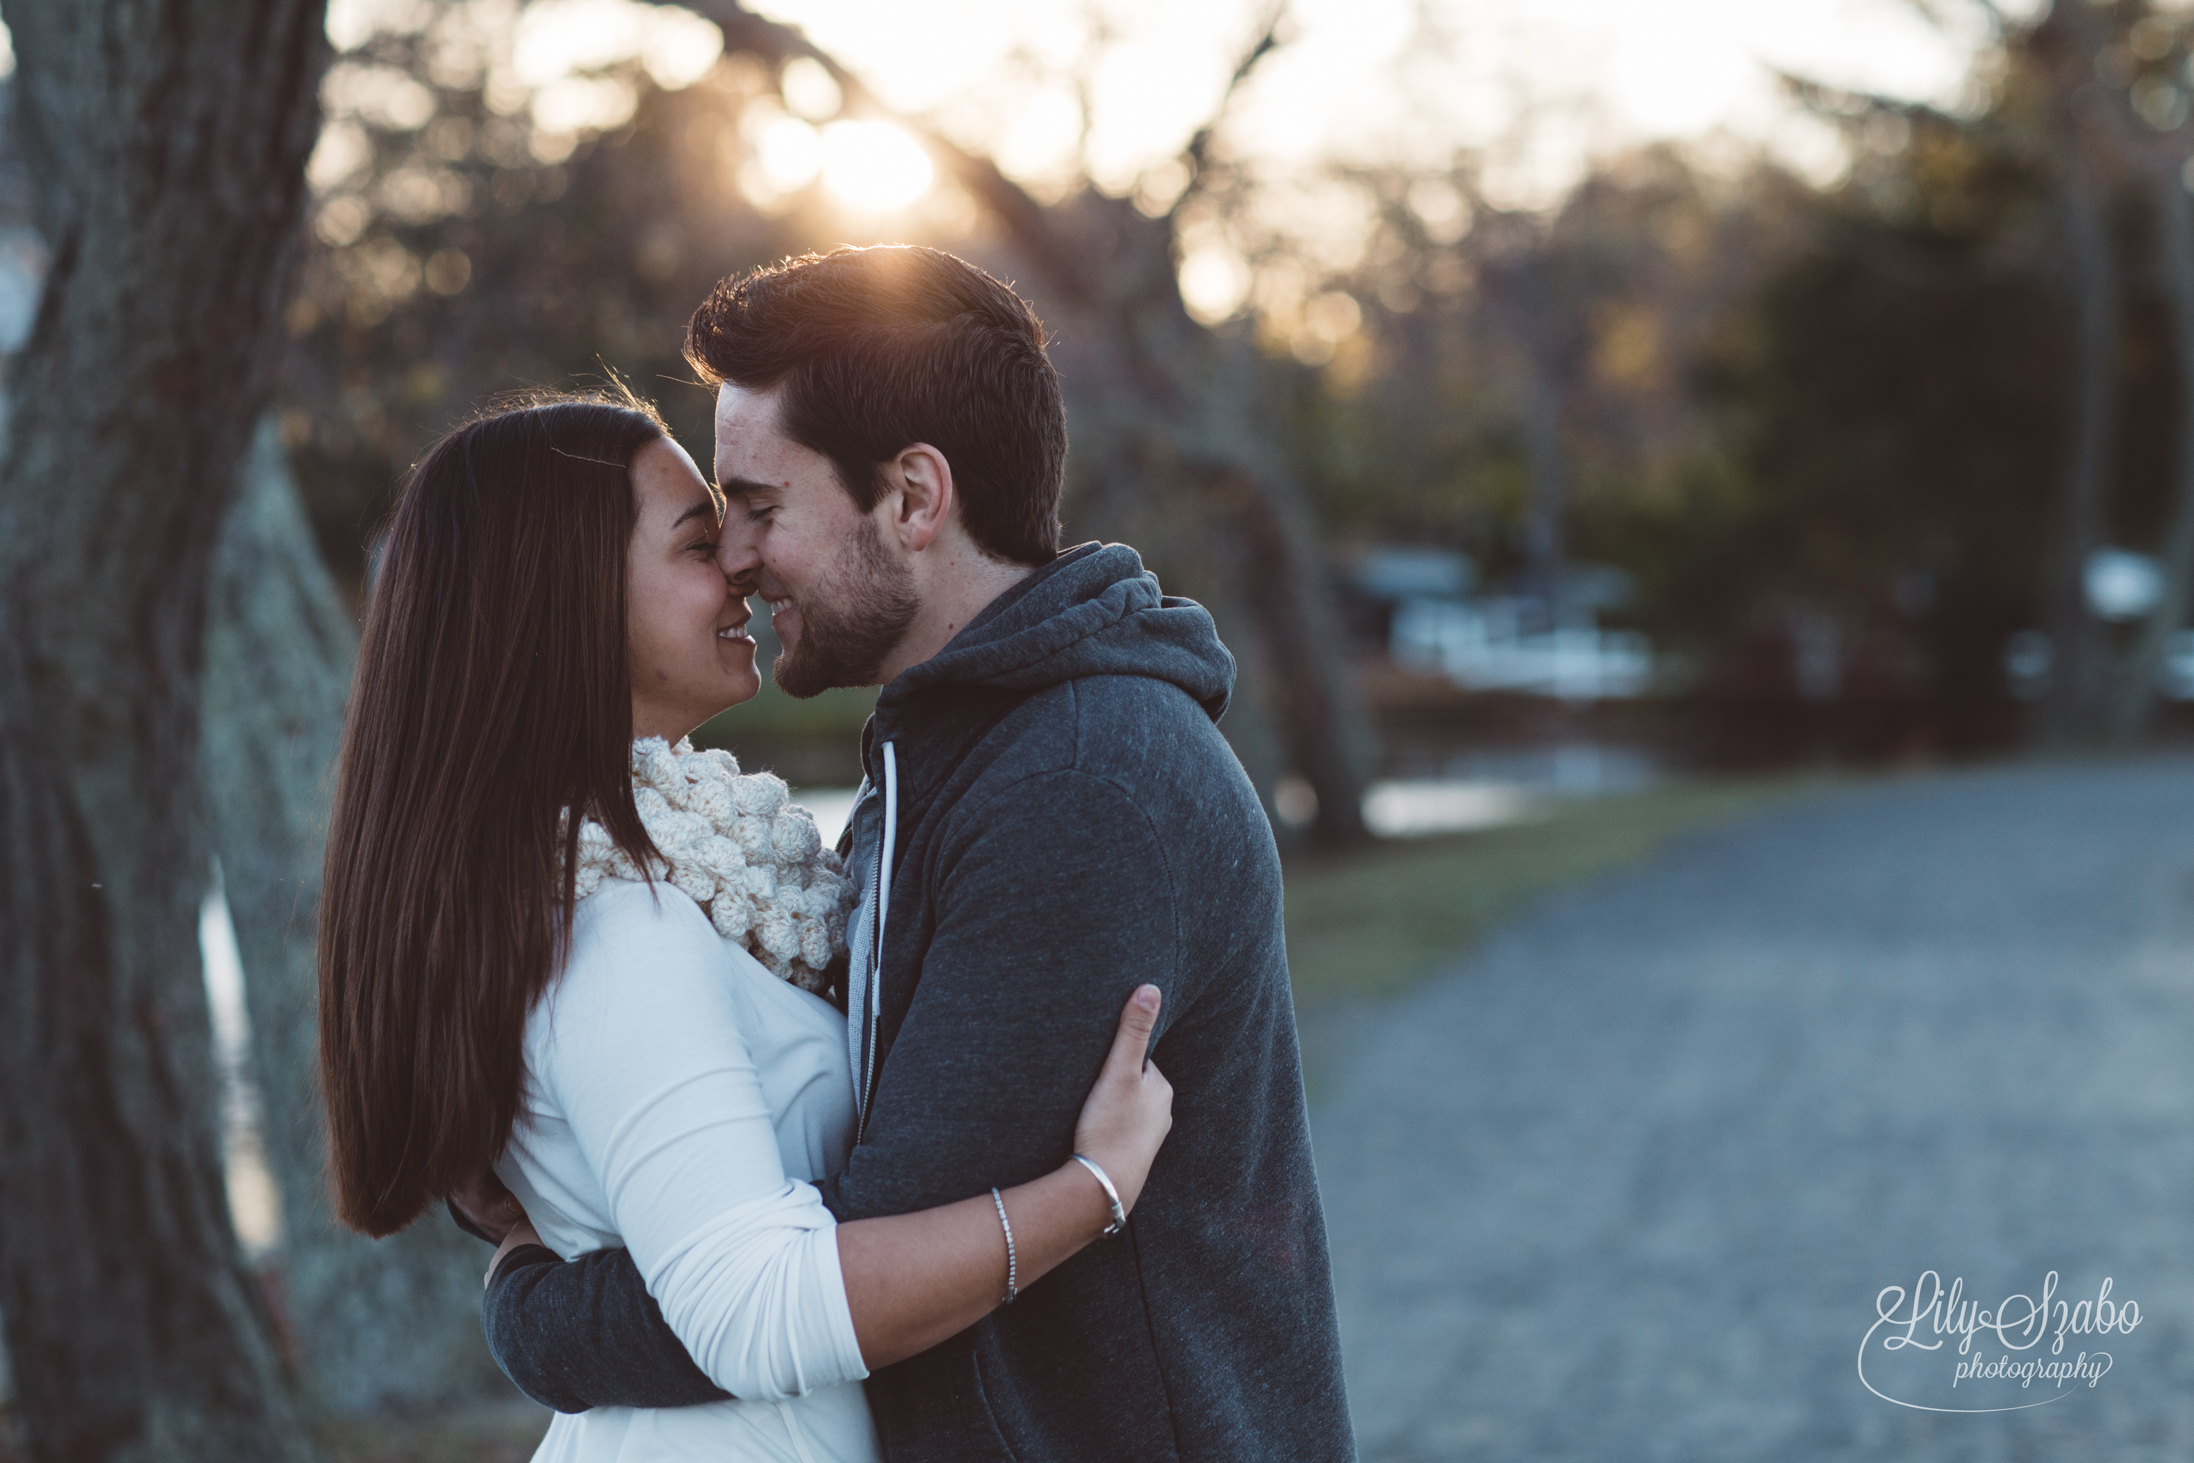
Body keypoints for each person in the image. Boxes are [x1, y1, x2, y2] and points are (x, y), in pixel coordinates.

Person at [471, 247, 1358, 1463]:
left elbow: (842, 1269)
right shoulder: (955, 750)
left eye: (762, 507)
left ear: (913, 499)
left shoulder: (1077, 784)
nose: (737, 556)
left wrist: (539, 1308)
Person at [317, 392, 1177, 1463]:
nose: (738, 561)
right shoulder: (619, 924)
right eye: (694, 540)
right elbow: (752, 1307)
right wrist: (1089, 1193)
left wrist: (536, 1289)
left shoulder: (678, 873)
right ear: (567, 600)